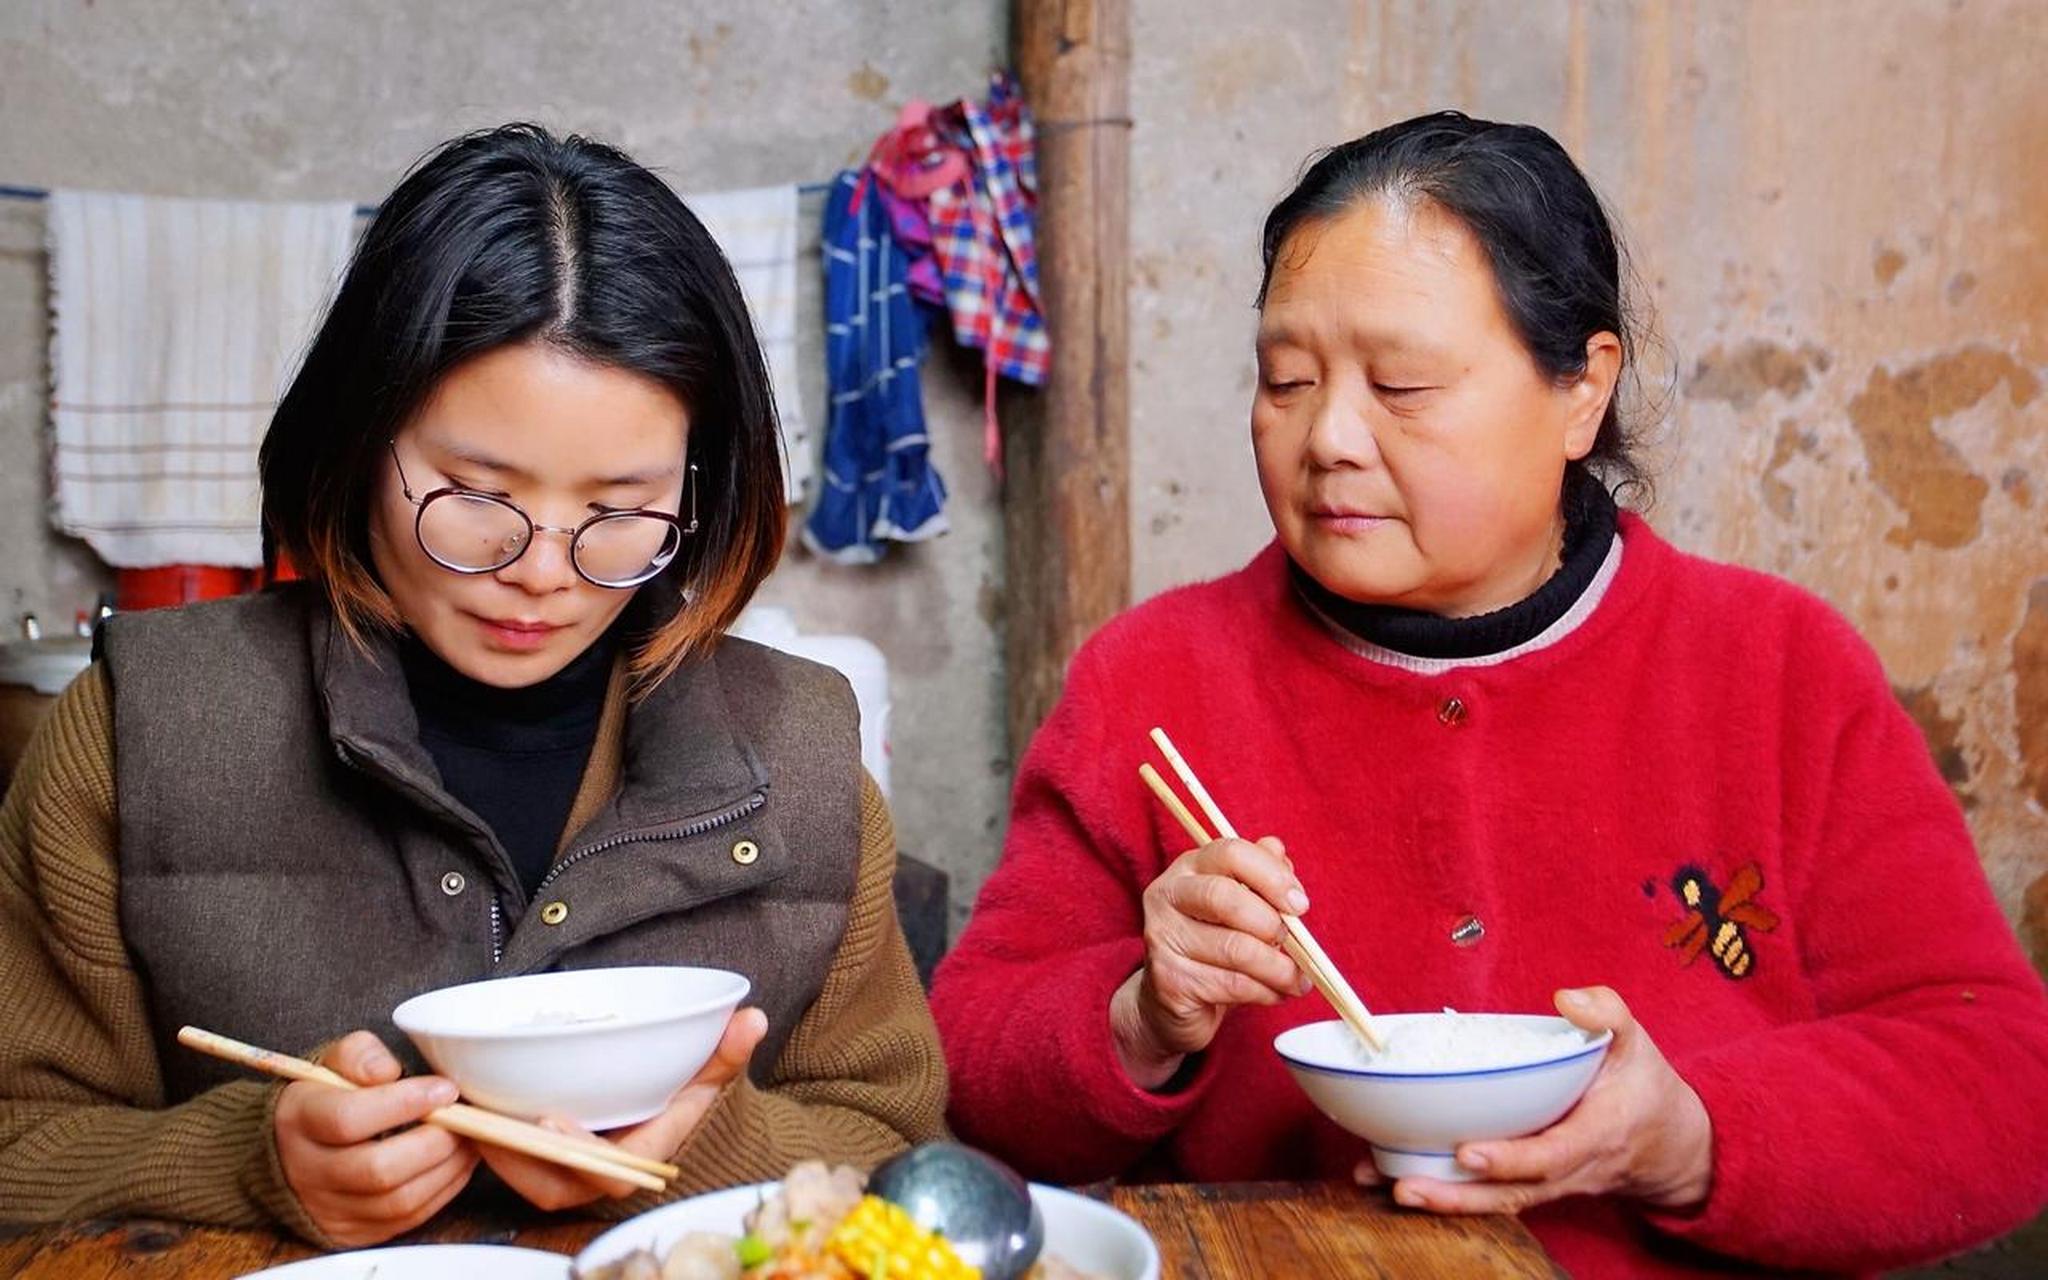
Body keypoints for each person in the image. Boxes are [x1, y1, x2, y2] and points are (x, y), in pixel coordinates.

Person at [930, 111, 2048, 1277]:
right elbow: (973, 1065)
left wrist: (1687, 1137)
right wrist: (1139, 1014)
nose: (1329, 439)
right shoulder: (1149, 681)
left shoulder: (1776, 668)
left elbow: (1999, 1090)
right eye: (1285, 380)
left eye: (1401, 384)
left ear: (1579, 390)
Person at [0, 124, 945, 1248]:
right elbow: (20, 1144)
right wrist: (248, 1163)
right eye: (474, 493)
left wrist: (693, 1149)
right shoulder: (138, 730)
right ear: (359, 439)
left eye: (619, 507)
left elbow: (895, 1145)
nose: (542, 569)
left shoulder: (790, 754)